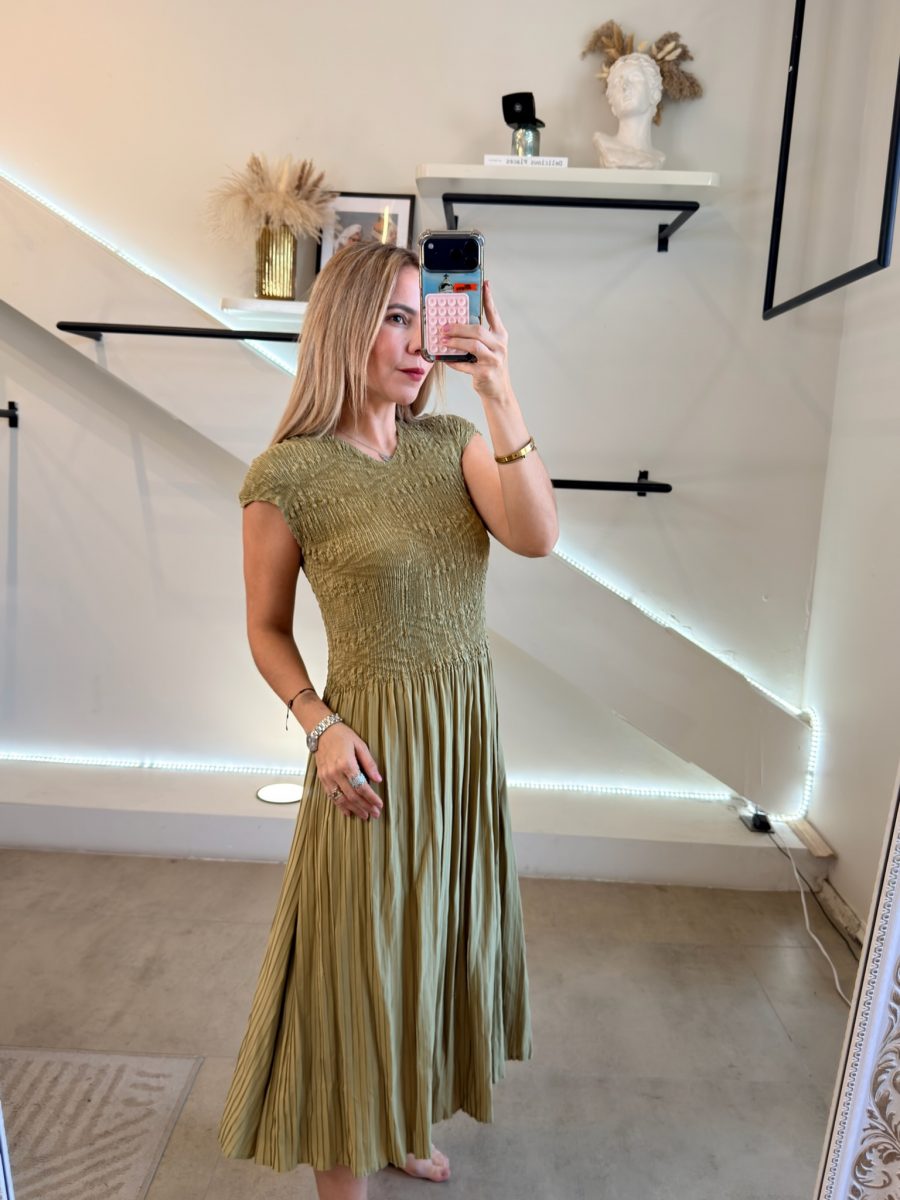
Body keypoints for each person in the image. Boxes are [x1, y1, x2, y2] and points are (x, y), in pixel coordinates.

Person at [217, 241, 558, 1200]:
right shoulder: (288, 474)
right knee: (352, 966)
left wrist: (500, 392)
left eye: (425, 316)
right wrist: (318, 724)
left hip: (460, 744)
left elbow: (537, 536)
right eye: (396, 319)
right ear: (345, 328)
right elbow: (266, 629)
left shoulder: (452, 443)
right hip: (367, 750)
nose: (417, 342)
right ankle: (346, 1170)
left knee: (430, 948)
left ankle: (399, 1118)